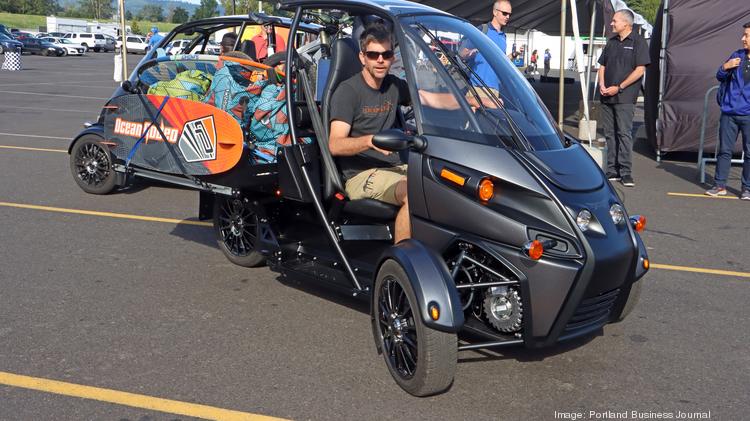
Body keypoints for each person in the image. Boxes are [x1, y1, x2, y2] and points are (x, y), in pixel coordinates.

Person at [328, 24, 471, 243]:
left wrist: (469, 104)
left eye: (386, 54)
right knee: (414, 195)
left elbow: (428, 99)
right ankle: (404, 265)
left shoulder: (393, 85)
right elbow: (335, 144)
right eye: (373, 54)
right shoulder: (348, 92)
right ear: (362, 57)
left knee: (448, 186)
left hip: (396, 167)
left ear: (392, 57)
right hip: (361, 175)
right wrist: (369, 142)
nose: (380, 60)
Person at [597, 9, 650, 187]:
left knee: (624, 134)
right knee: (610, 134)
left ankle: (625, 172)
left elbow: (640, 70)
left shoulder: (638, 42)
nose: (611, 24)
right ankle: (612, 169)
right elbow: (602, 65)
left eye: (614, 21)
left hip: (625, 97)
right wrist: (602, 85)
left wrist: (619, 87)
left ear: (626, 24)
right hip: (606, 96)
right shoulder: (611, 42)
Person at [705, 22, 750, 200]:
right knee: (724, 150)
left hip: (748, 115)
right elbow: (719, 75)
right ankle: (719, 185)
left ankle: (747, 188)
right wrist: (726, 66)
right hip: (730, 113)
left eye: (746, 35)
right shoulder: (736, 56)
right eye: (744, 35)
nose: (743, 38)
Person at [458, 0, 512, 91]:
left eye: (509, 14)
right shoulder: (482, 30)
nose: (508, 17)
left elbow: (501, 62)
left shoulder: (503, 37)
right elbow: (461, 54)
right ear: (495, 12)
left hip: (495, 90)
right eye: (505, 13)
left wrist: (513, 56)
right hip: (478, 88)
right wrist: (468, 54)